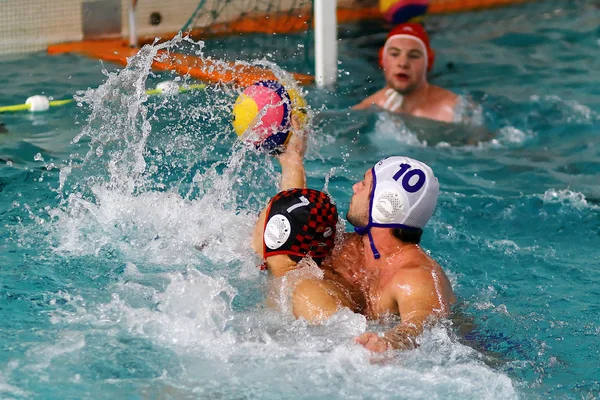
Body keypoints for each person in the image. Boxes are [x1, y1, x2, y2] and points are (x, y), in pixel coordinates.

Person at [353, 23, 459, 123]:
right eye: (394, 54)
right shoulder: (365, 110)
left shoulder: (452, 109)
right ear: (382, 60)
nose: (403, 63)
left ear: (428, 63)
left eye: (413, 56)